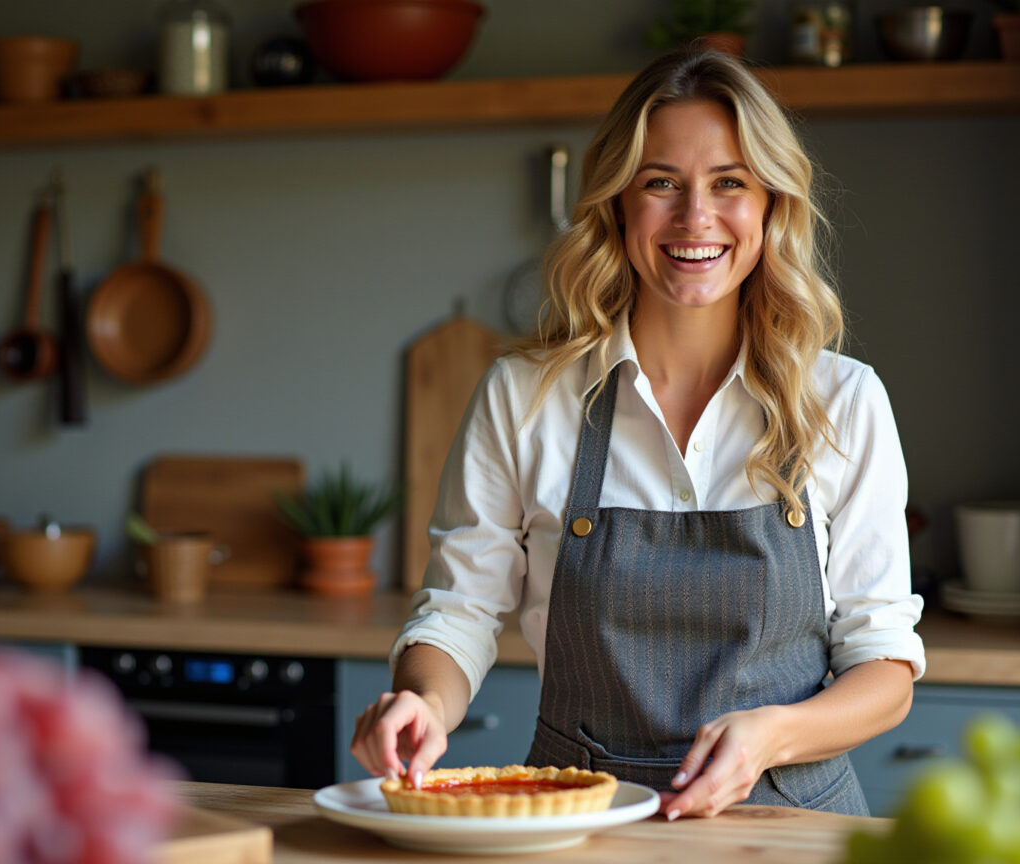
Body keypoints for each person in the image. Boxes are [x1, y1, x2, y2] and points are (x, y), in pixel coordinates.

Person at [350, 47, 925, 819]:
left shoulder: (843, 400)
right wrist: (422, 701)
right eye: (662, 184)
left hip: (794, 823)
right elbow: (460, 610)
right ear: (619, 203)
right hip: (582, 819)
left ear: (770, 206)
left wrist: (774, 737)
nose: (696, 217)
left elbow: (884, 666)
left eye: (730, 183)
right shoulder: (525, 397)